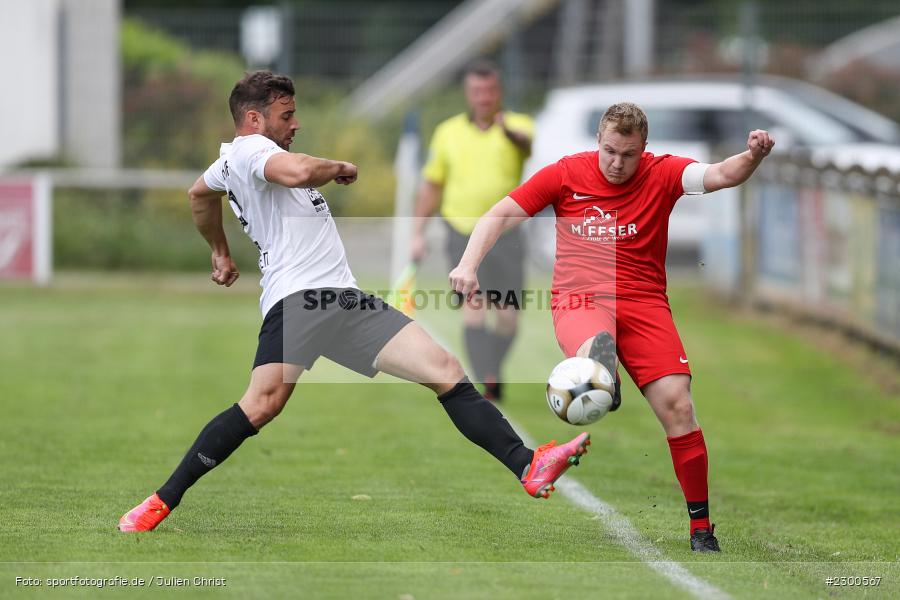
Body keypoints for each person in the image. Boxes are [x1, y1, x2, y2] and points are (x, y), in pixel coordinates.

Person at [118, 71, 591, 533]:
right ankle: (161, 500)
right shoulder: (250, 151)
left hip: (341, 297)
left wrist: (220, 252)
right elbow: (299, 171)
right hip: (300, 299)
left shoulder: (228, 161)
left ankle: (528, 465)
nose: (295, 123)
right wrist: (341, 168)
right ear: (254, 118)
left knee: (444, 370)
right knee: (261, 404)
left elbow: (199, 195)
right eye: (287, 114)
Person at [449, 102, 775, 552]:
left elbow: (721, 173)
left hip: (644, 302)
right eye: (609, 152)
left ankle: (701, 529)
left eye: (628, 154)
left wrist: (753, 155)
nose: (617, 163)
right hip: (580, 297)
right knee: (594, 345)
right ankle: (601, 371)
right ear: (598, 143)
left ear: (644, 149)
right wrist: (469, 265)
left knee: (679, 407)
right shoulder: (565, 174)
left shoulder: (663, 173)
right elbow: (500, 215)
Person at [410, 59, 533, 402]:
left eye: (490, 90)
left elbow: (526, 146)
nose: (483, 97)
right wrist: (417, 232)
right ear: (468, 93)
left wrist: (508, 132)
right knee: (474, 305)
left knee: (508, 317)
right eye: (477, 91)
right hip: (460, 231)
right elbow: (432, 185)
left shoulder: (518, 126)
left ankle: (491, 365)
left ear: (499, 92)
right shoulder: (447, 132)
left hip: (506, 235)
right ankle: (488, 379)